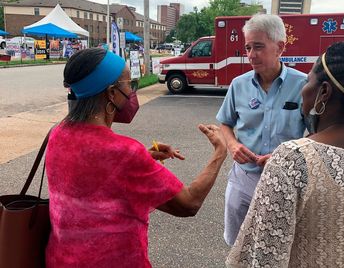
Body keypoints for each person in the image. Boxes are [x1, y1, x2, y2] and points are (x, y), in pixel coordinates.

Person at [45, 48, 227, 267]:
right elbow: (189, 204)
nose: (132, 92)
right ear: (111, 93)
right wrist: (220, 151)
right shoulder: (125, 153)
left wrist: (144, 158)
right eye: (129, 84)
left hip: (61, 259)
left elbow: (90, 176)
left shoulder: (58, 133)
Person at [226, 40, 344, 267]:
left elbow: (264, 254)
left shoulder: (292, 158)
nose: (303, 89)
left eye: (308, 81)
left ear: (324, 92)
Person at [216, 14, 306, 246]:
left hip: (284, 179)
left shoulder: (304, 85)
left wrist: (286, 155)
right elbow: (225, 123)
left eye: (258, 46)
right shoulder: (239, 84)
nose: (251, 55)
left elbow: (317, 137)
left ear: (280, 47)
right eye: (247, 47)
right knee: (237, 242)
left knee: (277, 243)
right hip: (243, 176)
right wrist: (232, 144)